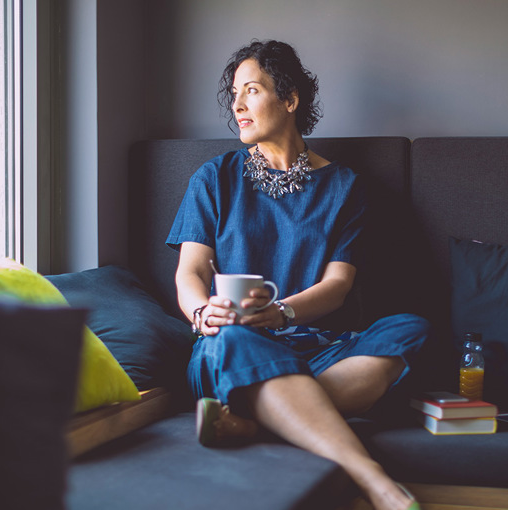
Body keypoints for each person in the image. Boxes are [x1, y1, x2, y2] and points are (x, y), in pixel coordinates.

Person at [166, 39, 430, 510]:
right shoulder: (214, 177)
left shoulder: (345, 187)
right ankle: (372, 477)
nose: (238, 105)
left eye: (251, 90)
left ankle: (252, 417)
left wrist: (282, 312)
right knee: (233, 341)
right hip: (234, 344)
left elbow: (337, 287)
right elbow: (191, 270)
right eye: (234, 94)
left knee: (410, 330)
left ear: (290, 100)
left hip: (317, 347)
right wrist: (202, 311)